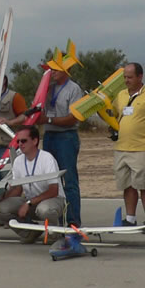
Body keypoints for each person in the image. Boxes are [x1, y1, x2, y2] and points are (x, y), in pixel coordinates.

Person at [112, 63, 145, 232]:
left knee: (144, 185)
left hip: (141, 148)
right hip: (121, 148)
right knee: (127, 185)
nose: (127, 80)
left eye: (130, 77)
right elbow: (113, 117)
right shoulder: (120, 95)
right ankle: (130, 218)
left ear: (140, 76)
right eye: (125, 77)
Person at [0, 125, 65, 241]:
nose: (20, 144)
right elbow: (18, 189)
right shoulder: (18, 161)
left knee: (44, 210)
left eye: (24, 141)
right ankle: (29, 232)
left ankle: (54, 233)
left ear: (35, 141)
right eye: (18, 141)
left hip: (53, 200)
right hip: (31, 202)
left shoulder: (47, 158)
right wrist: (1, 199)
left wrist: (29, 203)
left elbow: (53, 191)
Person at [39, 53, 84, 226]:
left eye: (56, 69)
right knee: (51, 180)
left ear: (66, 69)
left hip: (66, 137)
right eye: (51, 69)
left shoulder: (74, 89)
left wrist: (48, 120)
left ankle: (73, 221)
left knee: (69, 180)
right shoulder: (48, 88)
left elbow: (73, 118)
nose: (52, 72)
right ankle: (55, 218)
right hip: (49, 136)